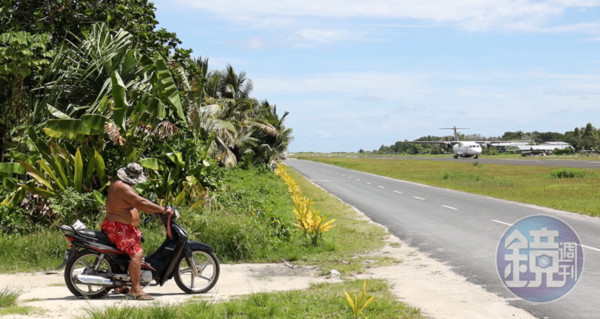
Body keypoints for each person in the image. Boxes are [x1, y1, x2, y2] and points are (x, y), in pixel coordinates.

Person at [102, 162, 173, 300]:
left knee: (124, 255)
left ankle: (121, 285)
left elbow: (138, 203)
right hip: (119, 229)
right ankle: (135, 289)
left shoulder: (120, 185)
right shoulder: (123, 188)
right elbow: (141, 203)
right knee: (137, 253)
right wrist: (162, 210)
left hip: (121, 227)